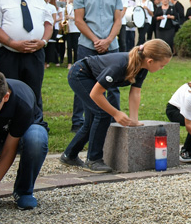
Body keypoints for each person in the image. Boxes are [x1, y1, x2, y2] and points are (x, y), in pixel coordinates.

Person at [60, 39, 173, 173]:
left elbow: (135, 92)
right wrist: (115, 113)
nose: (162, 68)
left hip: (93, 80)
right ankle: (94, 160)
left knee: (92, 120)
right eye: (162, 65)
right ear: (150, 61)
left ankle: (69, 155)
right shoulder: (119, 66)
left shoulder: (142, 68)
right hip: (80, 74)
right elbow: (95, 94)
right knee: (102, 113)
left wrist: (134, 120)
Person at [0, 70, 48, 211]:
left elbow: (8, 151)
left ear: (5, 97)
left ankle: (23, 191)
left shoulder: (22, 102)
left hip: (23, 136)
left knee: (36, 140)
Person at [70, 0, 124, 132]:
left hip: (111, 46)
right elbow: (79, 21)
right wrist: (95, 40)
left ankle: (114, 120)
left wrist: (108, 40)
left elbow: (118, 20)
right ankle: (79, 121)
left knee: (113, 84)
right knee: (84, 83)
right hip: (88, 45)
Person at [41, 0, 63, 67]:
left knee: (50, 46)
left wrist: (51, 28)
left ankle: (48, 62)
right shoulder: (39, 5)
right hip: (41, 27)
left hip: (49, 27)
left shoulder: (52, 7)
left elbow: (53, 19)